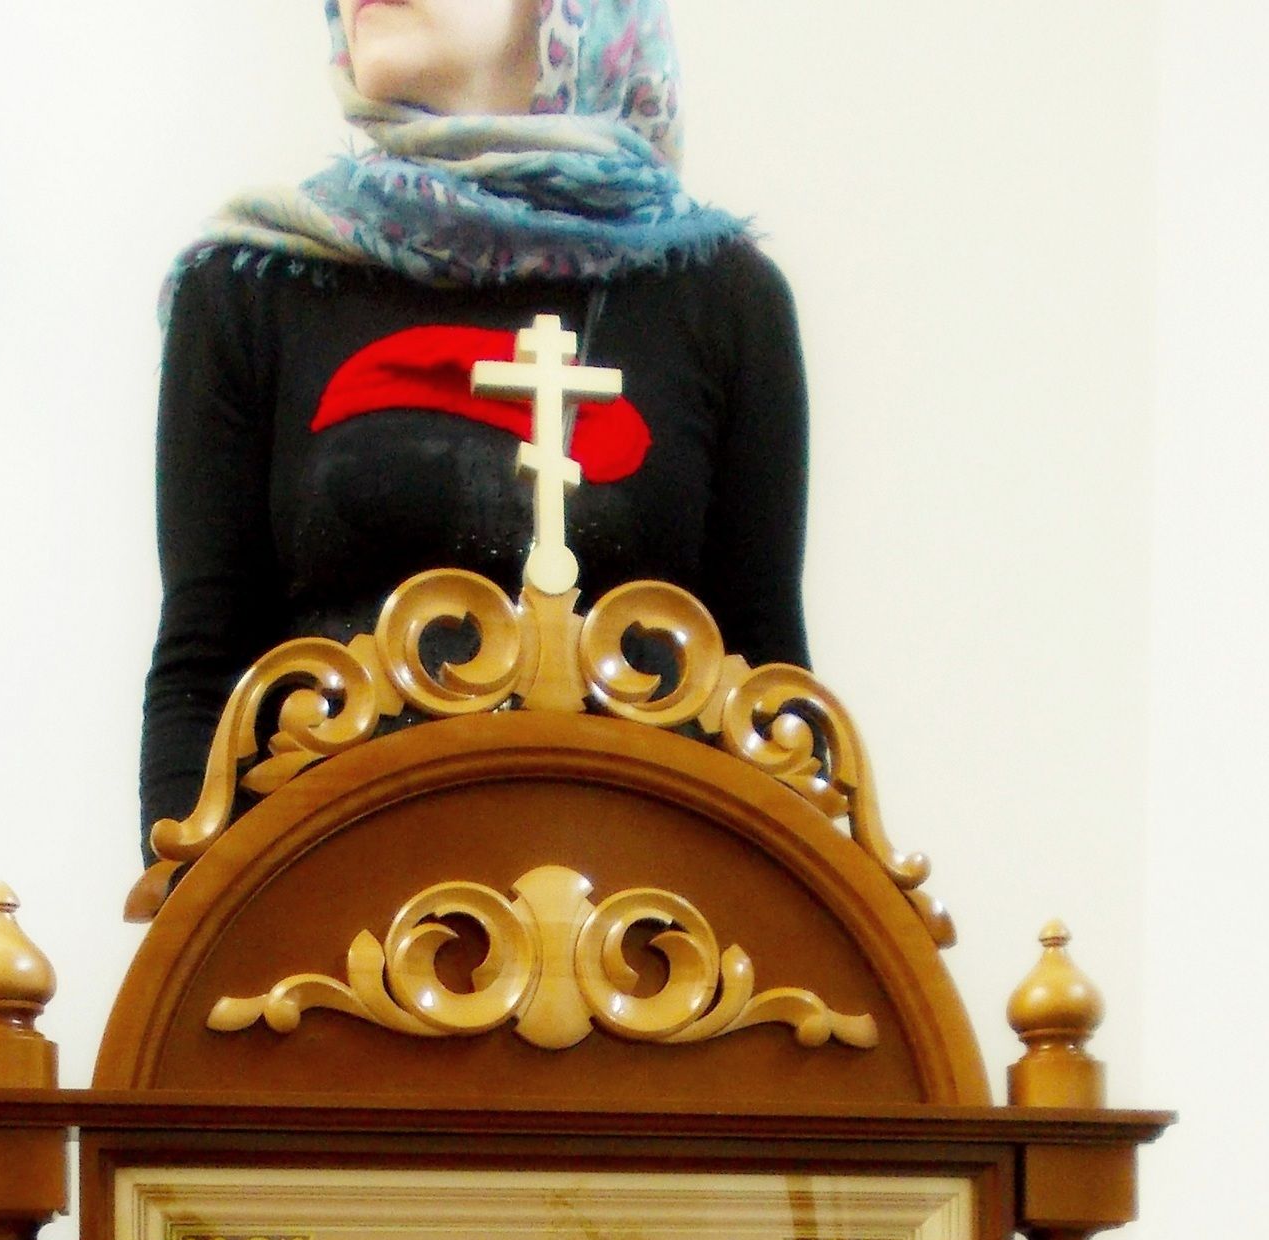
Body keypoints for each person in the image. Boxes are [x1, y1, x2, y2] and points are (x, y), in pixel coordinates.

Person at [140, 0, 813, 852]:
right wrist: (189, 917)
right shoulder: (249, 288)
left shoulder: (723, 301)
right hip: (330, 906)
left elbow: (769, 694)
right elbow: (202, 673)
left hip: (647, 908)